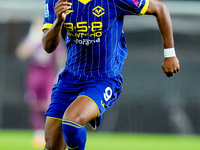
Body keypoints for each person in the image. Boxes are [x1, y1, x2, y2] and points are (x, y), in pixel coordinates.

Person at [42, 0, 180, 149]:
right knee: (52, 147)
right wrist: (58, 22)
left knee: (71, 122)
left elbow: (160, 8)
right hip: (70, 79)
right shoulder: (56, 2)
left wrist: (169, 54)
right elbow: (48, 47)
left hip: (103, 79)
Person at [16, 18, 65, 148]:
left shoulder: (51, 38)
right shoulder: (32, 40)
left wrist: (61, 71)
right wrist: (32, 42)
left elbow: (61, 57)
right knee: (34, 104)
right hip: (34, 76)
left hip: (48, 76)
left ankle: (50, 129)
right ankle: (38, 131)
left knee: (48, 104)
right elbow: (21, 53)